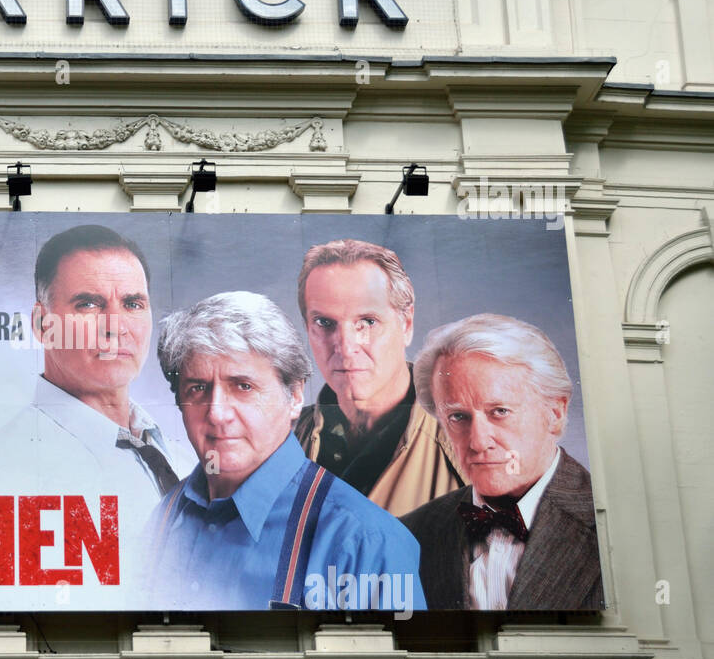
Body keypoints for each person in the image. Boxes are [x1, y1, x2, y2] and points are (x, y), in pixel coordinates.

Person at [141, 291, 425, 612]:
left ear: (294, 396)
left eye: (243, 386)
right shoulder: (161, 521)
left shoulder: (367, 543)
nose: (217, 413)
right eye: (198, 388)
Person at [0, 225, 194, 534]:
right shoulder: (13, 469)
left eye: (132, 304)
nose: (116, 326)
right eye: (88, 304)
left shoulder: (182, 455)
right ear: (42, 325)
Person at [399, 314, 604, 610]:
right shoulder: (411, 534)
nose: (479, 441)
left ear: (555, 413)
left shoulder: (618, 524)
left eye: (500, 411)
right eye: (458, 417)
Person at [294, 239, 465, 516]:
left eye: (368, 322)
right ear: (307, 328)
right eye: (325, 323)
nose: (346, 346)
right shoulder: (278, 443)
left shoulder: (469, 444)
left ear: (406, 324)